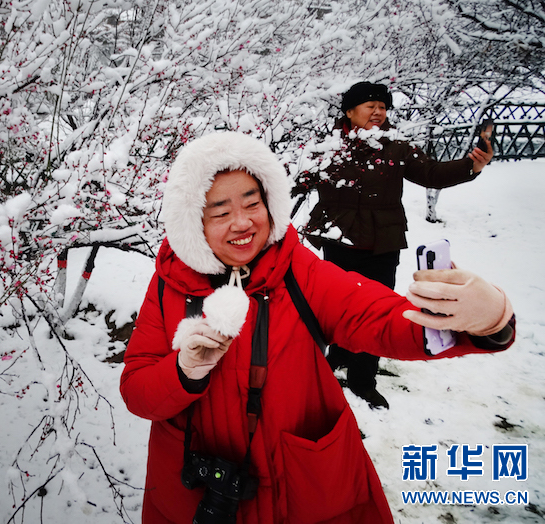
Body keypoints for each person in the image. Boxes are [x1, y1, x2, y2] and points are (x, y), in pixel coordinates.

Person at [120, 131, 513, 524]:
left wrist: (483, 320)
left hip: (299, 488)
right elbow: (138, 391)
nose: (242, 222)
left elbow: (375, 315)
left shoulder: (295, 272)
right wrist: (182, 372)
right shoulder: (170, 284)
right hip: (194, 495)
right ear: (193, 221)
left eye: (252, 203)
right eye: (220, 212)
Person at [292, 81, 494, 409]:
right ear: (349, 111)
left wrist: (471, 165)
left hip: (381, 244)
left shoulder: (396, 144)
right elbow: (296, 180)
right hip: (338, 240)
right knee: (332, 308)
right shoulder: (327, 146)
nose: (378, 112)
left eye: (383, 107)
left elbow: (430, 172)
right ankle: (336, 357)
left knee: (375, 311)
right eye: (370, 106)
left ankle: (362, 380)